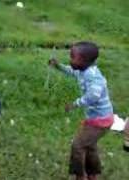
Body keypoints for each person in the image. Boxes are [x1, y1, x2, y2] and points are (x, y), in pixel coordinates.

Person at [49, 42, 114, 180]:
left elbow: (94, 96)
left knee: (77, 146)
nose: (70, 59)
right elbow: (72, 71)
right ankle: (93, 174)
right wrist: (58, 66)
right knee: (90, 146)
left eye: (73, 57)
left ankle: (80, 176)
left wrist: (74, 104)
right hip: (97, 119)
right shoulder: (83, 70)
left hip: (100, 121)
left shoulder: (93, 76)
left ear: (84, 61)